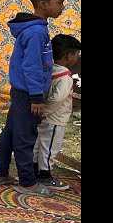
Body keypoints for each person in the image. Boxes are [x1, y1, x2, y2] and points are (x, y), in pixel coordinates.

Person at [0, 0, 69, 196]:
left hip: (22, 91)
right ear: (43, 4)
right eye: (59, 3)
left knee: (11, 132)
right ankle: (27, 182)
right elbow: (32, 66)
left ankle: (0, 174)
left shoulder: (37, 29)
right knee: (25, 137)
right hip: (28, 93)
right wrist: (36, 98)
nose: (62, 7)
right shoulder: (36, 33)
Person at [34, 34, 81, 191]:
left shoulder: (48, 70)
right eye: (77, 54)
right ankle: (45, 176)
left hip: (42, 117)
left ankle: (33, 172)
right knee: (50, 147)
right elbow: (57, 98)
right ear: (69, 56)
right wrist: (46, 112)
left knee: (38, 145)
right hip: (54, 119)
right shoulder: (65, 76)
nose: (77, 58)